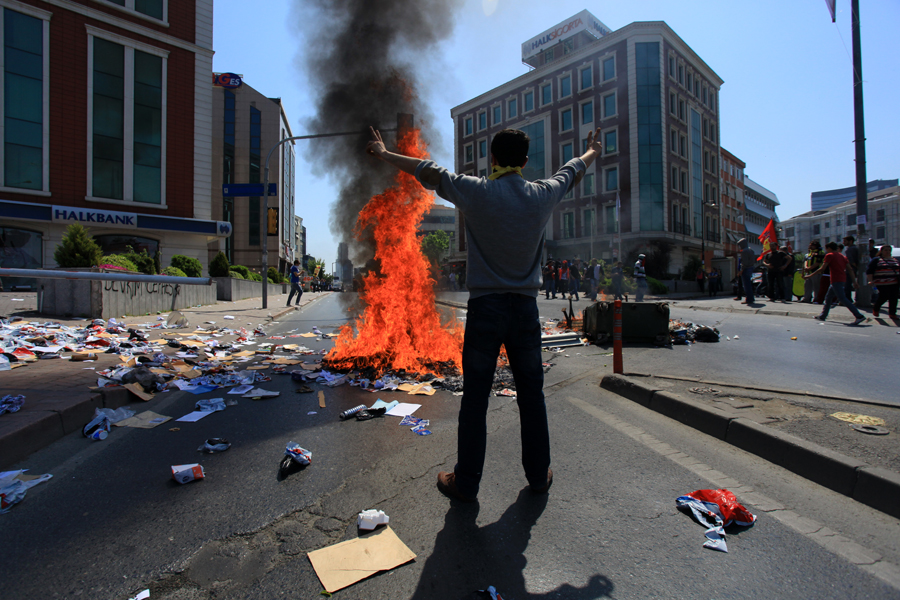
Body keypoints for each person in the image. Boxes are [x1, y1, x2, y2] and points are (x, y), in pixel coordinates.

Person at [366, 125, 605, 501]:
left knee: (475, 399)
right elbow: (572, 170)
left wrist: (383, 153)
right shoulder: (541, 194)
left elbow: (426, 170)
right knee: (531, 396)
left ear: (492, 159)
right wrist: (593, 150)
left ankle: (467, 483)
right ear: (525, 162)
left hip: (485, 309)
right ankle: (538, 476)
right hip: (525, 310)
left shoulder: (475, 191)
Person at [804, 241, 865, 325]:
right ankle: (823, 316)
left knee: (842, 298)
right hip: (842, 279)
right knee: (828, 298)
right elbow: (850, 269)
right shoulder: (842, 256)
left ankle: (859, 316)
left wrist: (809, 276)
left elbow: (822, 268)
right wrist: (854, 281)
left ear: (829, 248)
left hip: (836, 280)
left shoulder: (829, 255)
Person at [866, 244, 899, 319]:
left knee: (894, 298)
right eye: (885, 250)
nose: (887, 252)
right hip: (882, 282)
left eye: (889, 250)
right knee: (884, 296)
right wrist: (870, 280)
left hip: (894, 282)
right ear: (882, 251)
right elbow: (869, 271)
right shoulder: (877, 260)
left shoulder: (894, 260)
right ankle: (876, 308)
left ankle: (892, 313)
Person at [737, 238, 756, 305]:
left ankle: (749, 299)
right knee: (749, 284)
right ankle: (751, 297)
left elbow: (744, 262)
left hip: (746, 268)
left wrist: (741, 270)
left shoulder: (744, 251)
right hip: (751, 267)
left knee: (746, 285)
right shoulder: (751, 250)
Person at [843, 235, 861, 302]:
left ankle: (848, 299)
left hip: (851, 269)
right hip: (856, 268)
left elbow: (850, 260)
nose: (843, 243)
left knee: (847, 285)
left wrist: (855, 266)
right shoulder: (856, 248)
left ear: (850, 241)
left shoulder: (849, 250)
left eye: (845, 241)